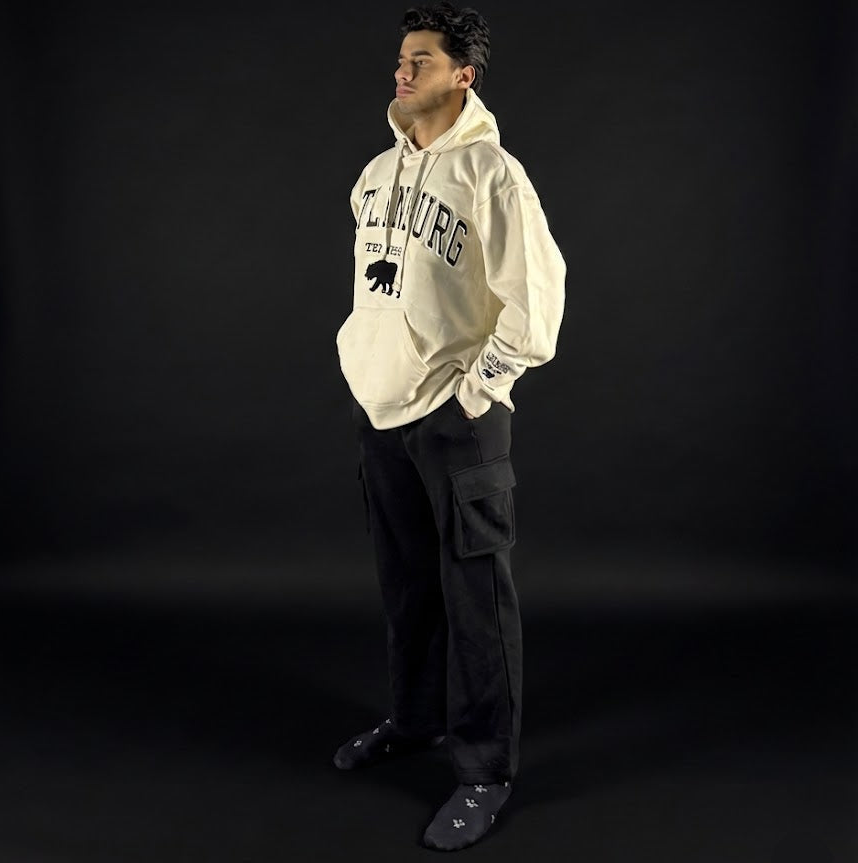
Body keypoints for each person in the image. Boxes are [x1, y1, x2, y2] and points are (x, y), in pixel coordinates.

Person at [333, 1, 566, 851]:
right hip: (381, 412)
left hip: (456, 420)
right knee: (407, 586)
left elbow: (536, 304)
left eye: (420, 61)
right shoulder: (374, 174)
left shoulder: (492, 175)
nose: (401, 71)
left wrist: (477, 392)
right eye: (400, 59)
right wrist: (366, 371)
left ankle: (484, 770)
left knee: (476, 600)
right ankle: (415, 719)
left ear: (462, 75)